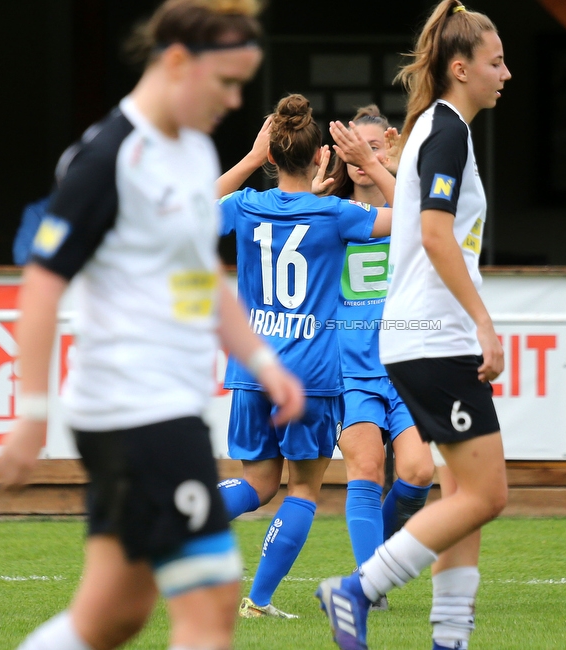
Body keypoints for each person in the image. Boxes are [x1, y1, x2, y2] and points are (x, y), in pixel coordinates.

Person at [0, 3, 305, 650]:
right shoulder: (109, 156)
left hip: (167, 408)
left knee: (111, 615)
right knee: (211, 607)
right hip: (136, 412)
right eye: (226, 81)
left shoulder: (193, 153)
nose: (236, 98)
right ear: (175, 62)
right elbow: (42, 284)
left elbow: (203, 282)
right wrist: (30, 410)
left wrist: (266, 363)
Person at [317, 2, 511, 649]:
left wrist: (373, 168)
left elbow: (414, 219)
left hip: (416, 339)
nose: (506, 73)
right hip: (437, 338)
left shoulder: (431, 126)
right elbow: (434, 235)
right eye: (496, 61)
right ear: (461, 67)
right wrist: (484, 322)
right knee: (486, 495)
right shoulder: (448, 129)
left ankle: (448, 640)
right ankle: (357, 588)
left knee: (461, 492)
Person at [213, 94, 393, 619]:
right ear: (321, 158)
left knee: (257, 482)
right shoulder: (338, 214)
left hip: (252, 371)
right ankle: (259, 601)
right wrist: (375, 162)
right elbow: (413, 213)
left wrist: (247, 162)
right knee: (303, 489)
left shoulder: (247, 205)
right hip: (311, 376)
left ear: (272, 156)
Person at [324, 106, 435, 596]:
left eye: (372, 146)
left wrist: (382, 168)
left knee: (418, 473)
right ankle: (369, 586)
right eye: (354, 147)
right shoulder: (328, 212)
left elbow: (420, 223)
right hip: (348, 370)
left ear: (388, 149)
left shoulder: (409, 210)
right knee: (365, 470)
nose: (360, 155)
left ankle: (376, 562)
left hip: (405, 364)